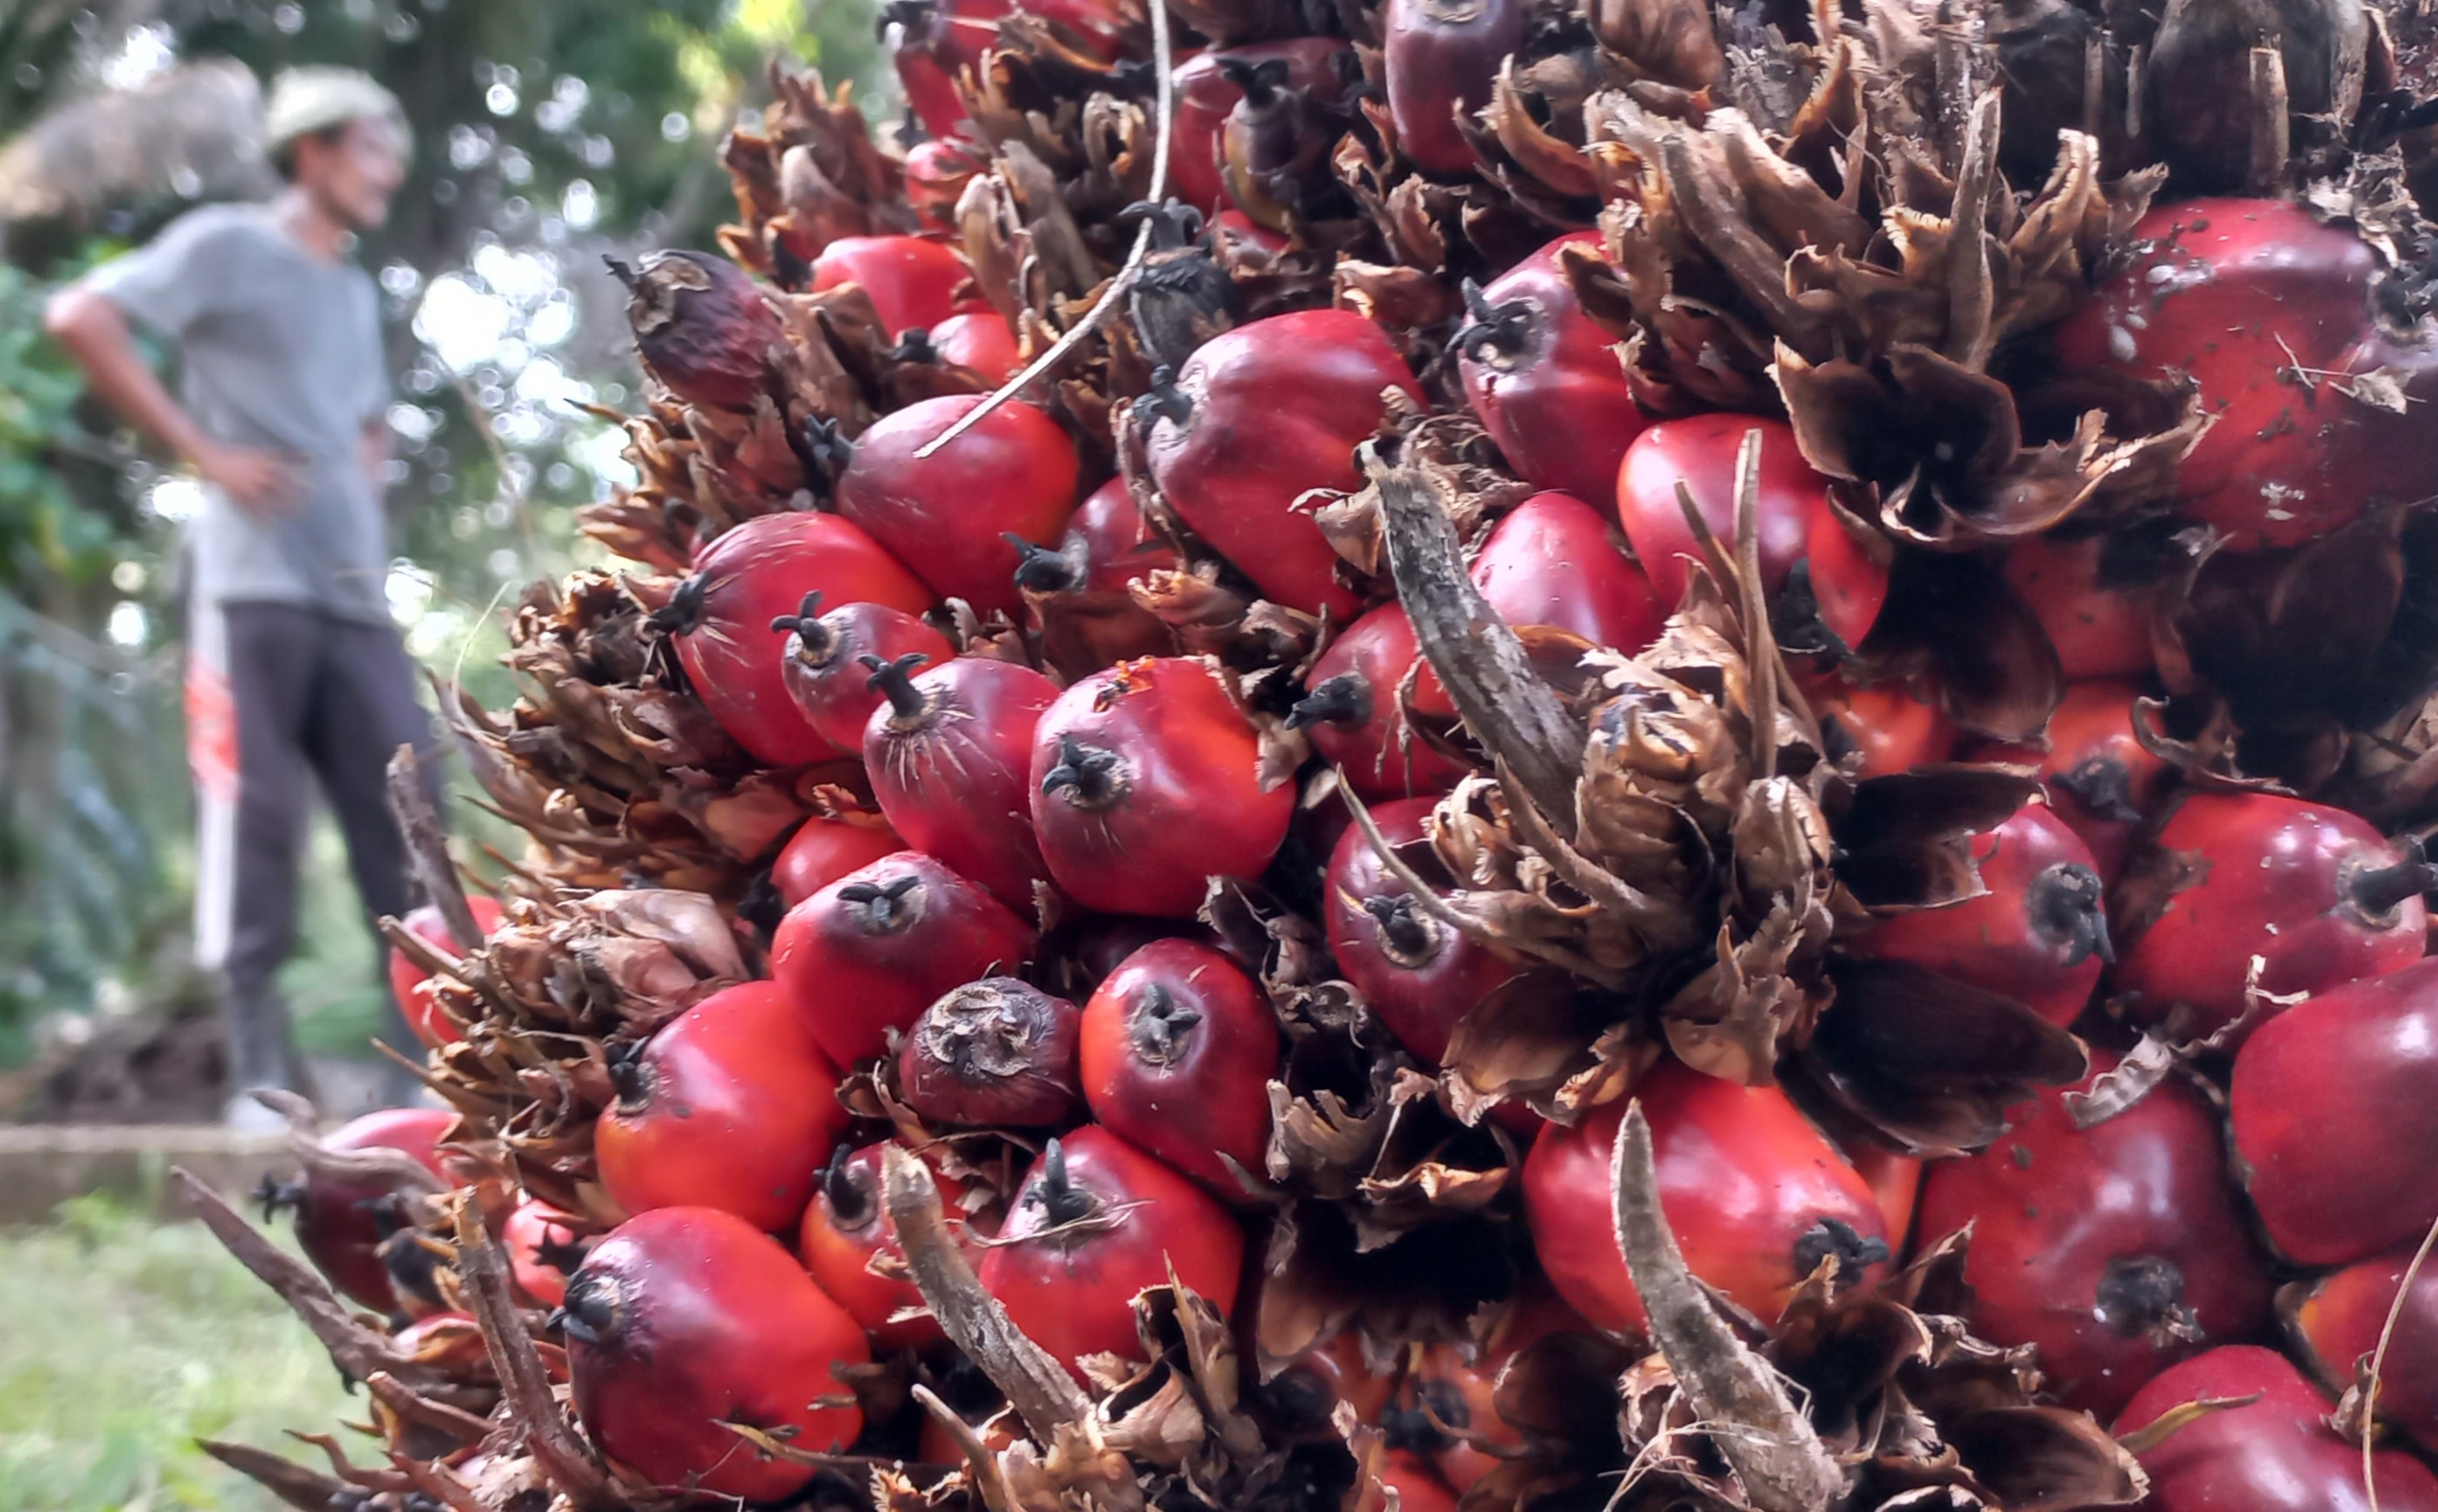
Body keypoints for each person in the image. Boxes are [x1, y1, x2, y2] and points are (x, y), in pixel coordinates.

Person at [45, 68, 440, 1128]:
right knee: (254, 813)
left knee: (409, 806)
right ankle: (260, 1079)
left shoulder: (354, 289)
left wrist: (365, 465)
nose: (387, 170)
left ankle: (421, 1070)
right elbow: (82, 314)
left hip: (354, 591)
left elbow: (362, 415)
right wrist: (205, 453)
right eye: (369, 147)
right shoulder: (229, 244)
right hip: (251, 586)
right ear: (309, 150)